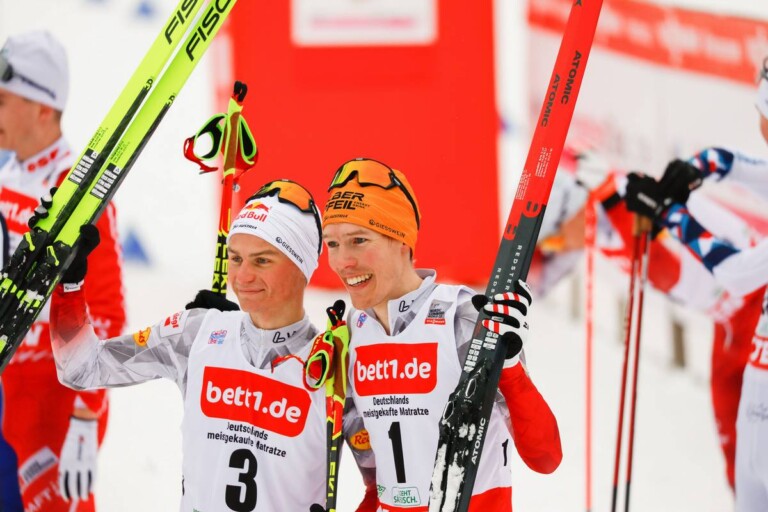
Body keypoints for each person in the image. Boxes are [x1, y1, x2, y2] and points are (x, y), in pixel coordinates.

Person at [49, 180, 377, 511]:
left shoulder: (334, 366)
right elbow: (81, 368)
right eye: (236, 258)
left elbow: (383, 487)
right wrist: (70, 284)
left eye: (262, 261)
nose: (242, 277)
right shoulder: (197, 334)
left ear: (300, 266)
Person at [321, 158, 562, 511]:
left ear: (402, 240)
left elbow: (545, 457)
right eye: (332, 244)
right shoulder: (352, 334)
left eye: (358, 240)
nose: (343, 261)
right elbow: (377, 485)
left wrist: (509, 367)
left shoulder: (462, 317)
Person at [623, 60, 768, 511]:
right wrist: (693, 169)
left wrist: (670, 214)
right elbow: (740, 166)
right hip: (759, 376)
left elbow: (738, 272)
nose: (759, 126)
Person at [0, 30, 126, 510]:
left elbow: (108, 314)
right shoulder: (7, 175)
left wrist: (86, 416)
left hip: (52, 408)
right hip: (7, 396)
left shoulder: (77, 191)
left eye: (3, 101)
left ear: (41, 108)